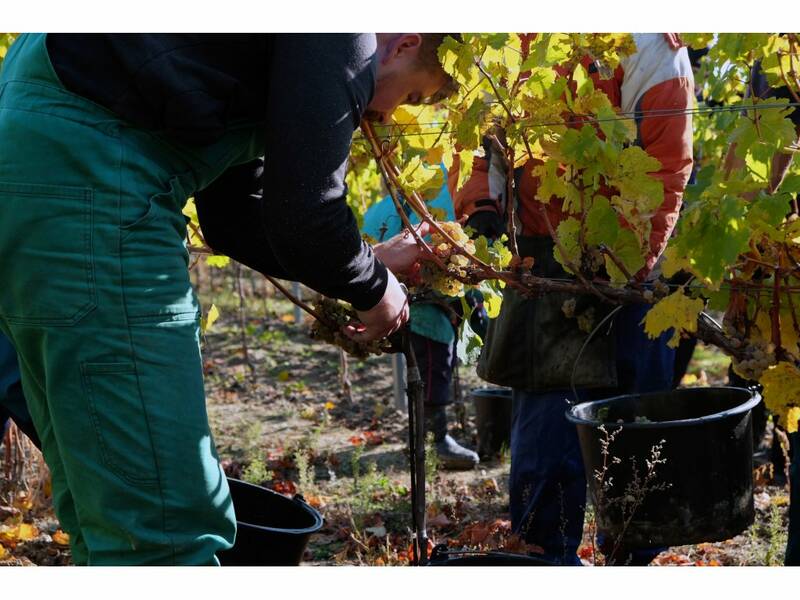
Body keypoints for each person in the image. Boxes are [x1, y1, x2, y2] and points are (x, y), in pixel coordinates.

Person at [0, 33, 456, 565]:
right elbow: (309, 216)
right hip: (95, 186)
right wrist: (376, 290)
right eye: (412, 97)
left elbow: (236, 218)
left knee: (108, 511)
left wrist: (367, 261)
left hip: (37, 171)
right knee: (163, 530)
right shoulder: (341, 30)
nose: (390, 115)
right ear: (404, 44)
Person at [451, 33, 694, 565]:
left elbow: (666, 162)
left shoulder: (648, 40)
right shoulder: (507, 35)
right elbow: (472, 137)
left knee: (634, 427)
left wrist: (631, 263)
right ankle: (545, 561)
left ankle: (632, 561)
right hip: (540, 257)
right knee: (545, 430)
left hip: (629, 255)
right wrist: (483, 213)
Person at [361, 175, 480, 470]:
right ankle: (432, 443)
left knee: (426, 369)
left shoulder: (379, 209)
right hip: (426, 308)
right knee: (433, 367)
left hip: (395, 306)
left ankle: (424, 443)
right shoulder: (438, 203)